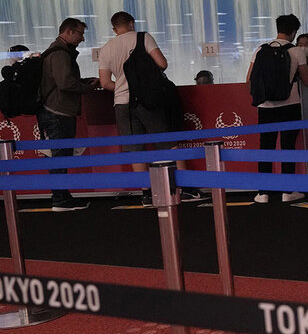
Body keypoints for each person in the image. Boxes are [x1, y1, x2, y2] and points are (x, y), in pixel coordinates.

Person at [98, 11, 206, 206]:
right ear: (131, 23)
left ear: (114, 28)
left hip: (122, 103)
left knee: (135, 149)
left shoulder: (106, 49)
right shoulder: (143, 37)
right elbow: (162, 64)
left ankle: (147, 194)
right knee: (167, 143)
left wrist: (125, 87)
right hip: (148, 101)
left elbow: (105, 83)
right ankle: (185, 188)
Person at [246, 14, 308, 203]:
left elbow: (249, 79)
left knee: (265, 147)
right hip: (289, 105)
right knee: (287, 147)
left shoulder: (260, 49)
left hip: (265, 106)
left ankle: (263, 192)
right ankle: (288, 191)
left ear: (277, 28)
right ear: (294, 32)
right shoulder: (296, 51)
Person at [37, 18, 98, 211]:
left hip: (52, 110)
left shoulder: (54, 51)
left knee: (58, 155)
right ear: (69, 32)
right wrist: (86, 88)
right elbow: (65, 83)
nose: (82, 38)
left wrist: (83, 82)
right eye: (80, 33)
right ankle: (60, 199)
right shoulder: (61, 54)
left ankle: (62, 196)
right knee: (60, 155)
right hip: (58, 111)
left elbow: (61, 81)